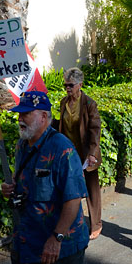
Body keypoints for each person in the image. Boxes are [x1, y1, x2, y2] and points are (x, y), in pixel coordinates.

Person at [2, 90, 103, 264]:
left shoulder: (63, 149)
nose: (20, 119)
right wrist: (12, 188)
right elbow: (25, 183)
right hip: (27, 239)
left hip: (62, 242)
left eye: (26, 114)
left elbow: (72, 200)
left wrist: (56, 238)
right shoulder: (21, 145)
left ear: (44, 117)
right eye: (19, 114)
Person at [55, 67, 103, 240]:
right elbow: (60, 124)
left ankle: (96, 224)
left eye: (71, 85)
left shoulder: (89, 103)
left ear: (80, 85)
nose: (67, 89)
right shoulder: (63, 102)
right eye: (65, 85)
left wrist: (92, 153)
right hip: (70, 154)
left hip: (86, 152)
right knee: (70, 189)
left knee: (91, 189)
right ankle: (74, 223)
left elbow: (95, 129)